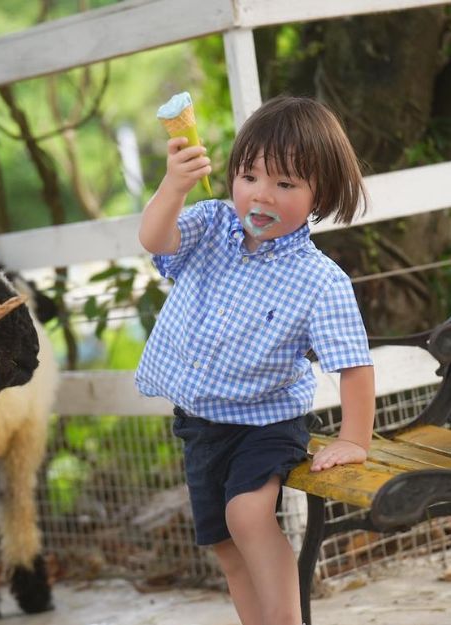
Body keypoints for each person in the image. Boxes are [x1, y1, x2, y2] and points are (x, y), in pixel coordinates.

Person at [135, 95, 375, 625]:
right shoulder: (211, 226)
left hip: (267, 422)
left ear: (319, 195)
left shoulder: (318, 280)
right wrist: (172, 186)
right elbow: (155, 238)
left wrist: (354, 438)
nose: (261, 196)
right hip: (201, 424)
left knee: (247, 515)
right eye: (249, 176)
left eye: (285, 184)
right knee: (224, 545)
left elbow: (353, 364)